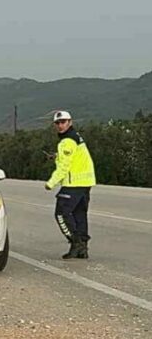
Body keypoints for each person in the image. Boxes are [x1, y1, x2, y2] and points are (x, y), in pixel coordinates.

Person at [45, 110, 97, 259]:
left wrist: (51, 183)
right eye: (58, 123)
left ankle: (76, 243)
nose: (60, 125)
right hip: (85, 182)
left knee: (61, 214)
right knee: (79, 214)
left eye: (63, 122)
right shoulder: (76, 137)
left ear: (70, 122)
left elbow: (64, 167)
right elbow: (73, 158)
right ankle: (82, 249)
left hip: (74, 183)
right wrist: (56, 156)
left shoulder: (67, 141)